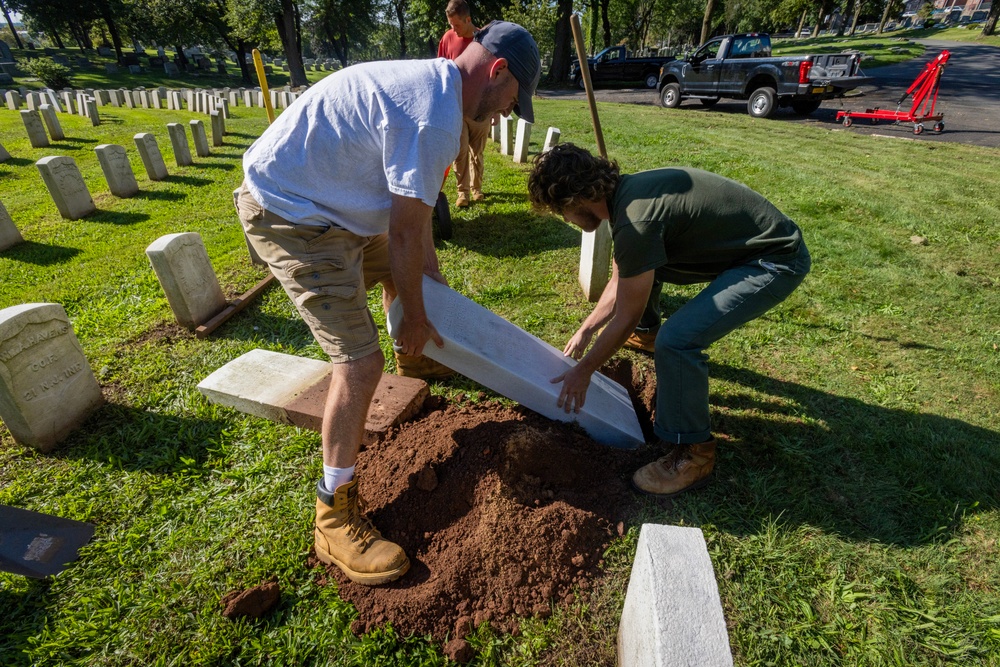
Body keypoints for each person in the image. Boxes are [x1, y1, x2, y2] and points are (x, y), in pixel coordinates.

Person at [236, 22, 540, 585]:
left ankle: (416, 359)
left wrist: (429, 284)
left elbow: (414, 219)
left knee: (413, 279)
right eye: (510, 104)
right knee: (358, 363)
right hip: (293, 215)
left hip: (334, 205)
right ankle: (332, 511)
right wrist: (419, 315)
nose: (501, 116)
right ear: (497, 72)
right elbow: (402, 236)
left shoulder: (436, 89)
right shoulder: (434, 117)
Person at [527, 143, 811, 498]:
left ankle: (695, 455)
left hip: (775, 260)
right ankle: (648, 336)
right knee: (646, 275)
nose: (565, 219)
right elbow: (622, 277)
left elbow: (626, 313)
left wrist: (583, 371)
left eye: (560, 211)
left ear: (573, 200)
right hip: (755, 247)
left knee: (677, 340)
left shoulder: (636, 219)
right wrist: (587, 328)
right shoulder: (627, 195)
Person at [438, 0, 493, 208]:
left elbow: (493, 78)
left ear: (468, 19)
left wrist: (494, 110)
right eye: (450, 25)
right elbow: (440, 71)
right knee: (459, 152)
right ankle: (463, 193)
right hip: (457, 108)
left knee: (477, 152)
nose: (453, 29)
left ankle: (477, 188)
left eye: (456, 25)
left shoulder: (485, 41)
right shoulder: (447, 38)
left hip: (481, 110)